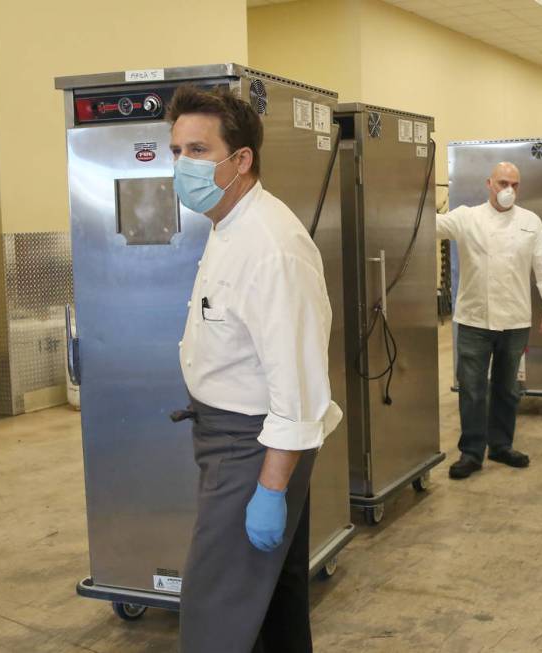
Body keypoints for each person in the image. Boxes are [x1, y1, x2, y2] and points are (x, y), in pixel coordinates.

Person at [168, 85, 342, 653]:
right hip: (229, 435)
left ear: (240, 160)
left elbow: (297, 386)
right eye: (176, 151)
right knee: (273, 597)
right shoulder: (229, 224)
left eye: (197, 151)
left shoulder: (271, 246)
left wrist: (271, 486)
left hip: (254, 443)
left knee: (215, 607)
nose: (181, 166)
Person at [437, 162, 542, 480]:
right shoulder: (467, 217)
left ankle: (502, 445)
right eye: (502, 182)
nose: (508, 190)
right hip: (474, 319)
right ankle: (471, 452)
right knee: (473, 388)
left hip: (515, 320)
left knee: (507, 388)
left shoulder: (530, 222)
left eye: (514, 185)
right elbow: (432, 225)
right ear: (488, 183)